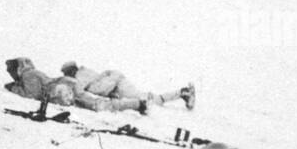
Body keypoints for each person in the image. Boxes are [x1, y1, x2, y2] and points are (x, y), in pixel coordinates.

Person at [5, 57, 166, 115]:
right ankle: (136, 104)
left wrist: (13, 88)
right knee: (98, 104)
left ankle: (136, 103)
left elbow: (31, 94)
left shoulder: (28, 74)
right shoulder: (33, 73)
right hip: (67, 86)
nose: (11, 74)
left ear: (18, 68)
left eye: (11, 71)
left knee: (97, 106)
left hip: (60, 91)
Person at [61, 60, 196, 111]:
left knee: (148, 100)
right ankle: (181, 93)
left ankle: (183, 93)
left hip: (117, 84)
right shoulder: (85, 72)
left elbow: (98, 89)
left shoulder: (80, 77)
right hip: (116, 82)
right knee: (146, 97)